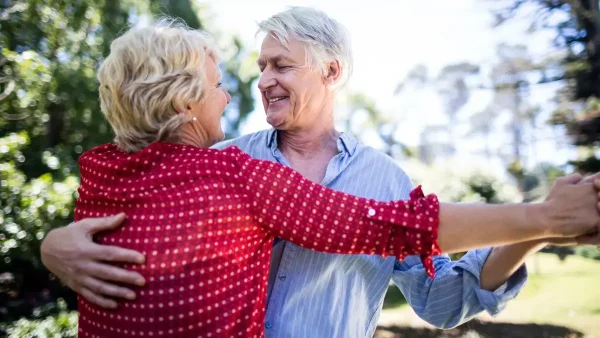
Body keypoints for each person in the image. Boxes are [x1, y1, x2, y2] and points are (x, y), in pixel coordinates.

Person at [41, 8, 600, 337]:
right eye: (258, 66)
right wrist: (54, 247)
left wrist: (542, 230)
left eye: (281, 65)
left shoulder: (385, 180)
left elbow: (441, 301)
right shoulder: (224, 163)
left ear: (331, 71)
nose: (260, 81)